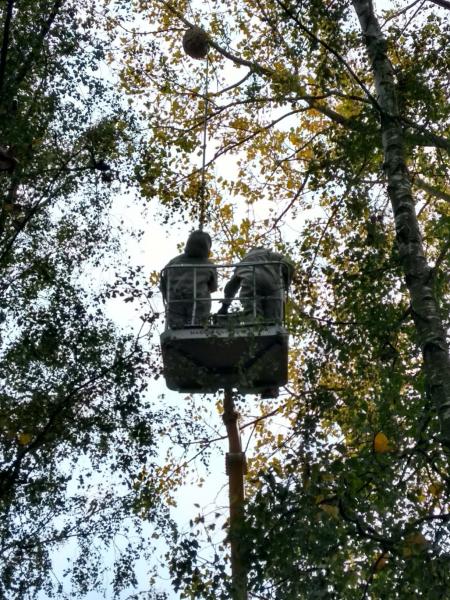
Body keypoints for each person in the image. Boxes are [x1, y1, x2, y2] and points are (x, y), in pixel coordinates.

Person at [217, 246, 293, 322]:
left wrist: (225, 306)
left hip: (250, 283)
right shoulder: (271, 254)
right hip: (273, 285)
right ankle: (273, 325)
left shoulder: (243, 262)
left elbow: (230, 288)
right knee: (274, 319)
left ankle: (254, 324)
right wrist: (284, 283)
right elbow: (288, 265)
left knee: (253, 317)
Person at [160, 230, 217, 328]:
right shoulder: (209, 265)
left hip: (175, 306)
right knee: (197, 326)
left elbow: (163, 285)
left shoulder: (173, 263)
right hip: (199, 307)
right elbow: (213, 287)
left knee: (177, 329)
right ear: (207, 248)